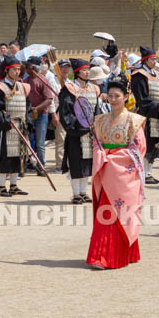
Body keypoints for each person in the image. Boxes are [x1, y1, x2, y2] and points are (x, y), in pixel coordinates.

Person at [87, 79, 147, 269]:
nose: (113, 100)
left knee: (121, 212)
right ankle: (106, 255)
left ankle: (111, 255)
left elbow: (138, 149)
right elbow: (97, 144)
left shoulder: (134, 120)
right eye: (110, 96)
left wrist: (112, 157)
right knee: (107, 212)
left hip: (123, 173)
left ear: (125, 97)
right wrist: (100, 153)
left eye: (117, 96)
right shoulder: (101, 120)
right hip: (106, 171)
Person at [58, 59, 101, 204]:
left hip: (90, 132)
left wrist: (95, 124)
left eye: (89, 69)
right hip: (76, 133)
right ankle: (76, 194)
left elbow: (96, 110)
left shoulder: (93, 89)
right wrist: (78, 127)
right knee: (76, 163)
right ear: (77, 72)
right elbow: (65, 113)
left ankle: (83, 192)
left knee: (87, 163)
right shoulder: (69, 89)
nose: (88, 72)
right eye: (84, 70)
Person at [0, 56, 30, 197]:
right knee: (5, 157)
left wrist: (27, 122)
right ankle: (1, 186)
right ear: (7, 70)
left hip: (20, 126)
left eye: (19, 69)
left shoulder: (23, 87)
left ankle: (13, 185)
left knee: (17, 157)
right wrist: (5, 123)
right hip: (6, 127)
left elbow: (28, 107)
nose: (17, 72)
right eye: (14, 69)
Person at [130, 46, 159, 186]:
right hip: (146, 115)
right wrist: (155, 106)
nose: (155, 61)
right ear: (145, 60)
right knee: (145, 143)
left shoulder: (156, 74)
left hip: (157, 114)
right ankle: (142, 172)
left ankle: (149, 172)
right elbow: (141, 97)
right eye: (152, 59)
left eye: (155, 59)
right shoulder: (139, 75)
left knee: (155, 144)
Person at [24, 58, 55, 174]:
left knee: (40, 142)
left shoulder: (43, 81)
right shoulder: (25, 81)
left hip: (41, 115)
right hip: (27, 115)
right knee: (26, 140)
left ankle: (41, 166)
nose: (27, 69)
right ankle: (27, 163)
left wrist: (36, 109)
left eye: (28, 67)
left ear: (33, 68)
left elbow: (49, 100)